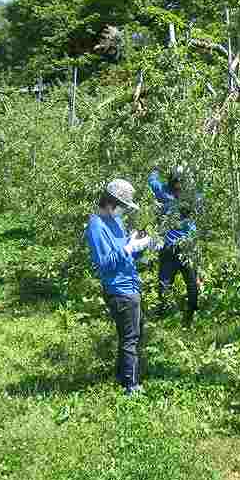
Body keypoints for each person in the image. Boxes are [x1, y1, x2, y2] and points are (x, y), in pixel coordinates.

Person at [85, 179, 156, 396]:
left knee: (134, 333)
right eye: (122, 207)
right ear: (111, 203)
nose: (124, 211)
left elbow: (125, 252)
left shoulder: (116, 222)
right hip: (119, 289)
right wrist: (128, 248)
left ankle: (122, 377)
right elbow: (104, 264)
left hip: (130, 284)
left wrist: (139, 246)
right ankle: (131, 387)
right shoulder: (96, 225)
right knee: (130, 338)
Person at [148, 165, 203, 320]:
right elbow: (152, 181)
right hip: (168, 246)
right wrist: (156, 167)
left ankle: (192, 312)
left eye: (182, 182)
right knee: (164, 282)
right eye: (177, 182)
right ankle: (164, 313)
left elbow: (204, 184)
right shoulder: (164, 192)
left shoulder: (193, 195)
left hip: (188, 246)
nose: (179, 186)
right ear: (172, 181)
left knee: (192, 282)